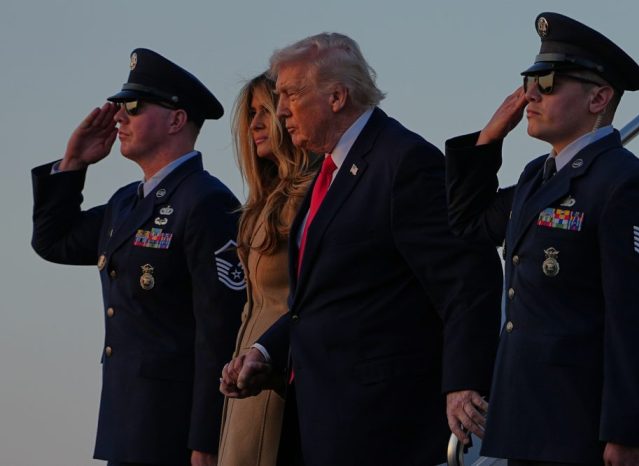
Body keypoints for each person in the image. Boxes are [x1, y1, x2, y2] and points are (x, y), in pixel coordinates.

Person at [220, 33, 503, 466]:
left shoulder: (403, 161)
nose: (281, 111)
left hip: (385, 425)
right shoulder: (329, 170)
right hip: (323, 421)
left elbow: (467, 276)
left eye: (291, 95)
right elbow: (319, 300)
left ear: (337, 97)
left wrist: (464, 383)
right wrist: (265, 352)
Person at [445, 12, 639, 466]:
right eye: (529, 80)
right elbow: (469, 223)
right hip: (530, 425)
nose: (531, 94)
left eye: (548, 82)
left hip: (587, 430)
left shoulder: (625, 183)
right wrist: (489, 140)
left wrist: (629, 429)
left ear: (599, 98)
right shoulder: (538, 176)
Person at [31, 48, 246, 466]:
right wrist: (73, 163)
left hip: (174, 432)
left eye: (133, 107)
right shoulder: (126, 203)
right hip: (128, 426)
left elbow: (220, 329)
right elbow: (54, 241)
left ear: (176, 120)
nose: (119, 117)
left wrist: (207, 438)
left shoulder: (205, 201)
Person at [217, 73, 318, 466]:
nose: (255, 124)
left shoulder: (312, 195)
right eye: (251, 114)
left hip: (286, 383)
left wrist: (266, 355)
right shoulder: (262, 203)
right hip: (249, 379)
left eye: (265, 111)